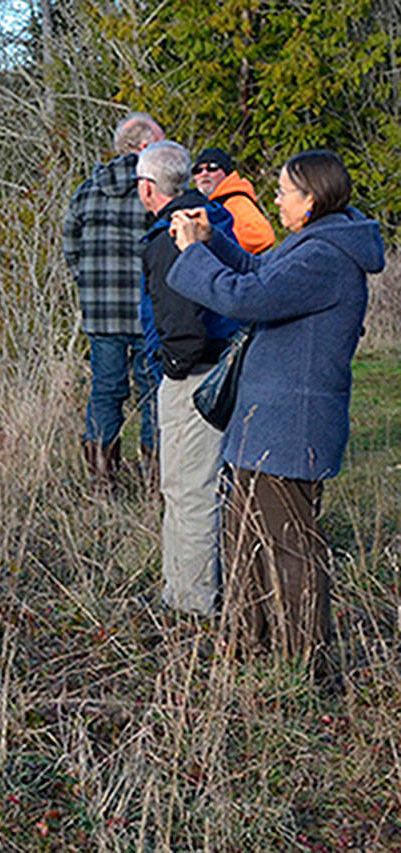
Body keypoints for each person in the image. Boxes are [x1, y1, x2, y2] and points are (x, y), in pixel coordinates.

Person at [167, 150, 385, 669]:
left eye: (285, 191)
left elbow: (249, 296)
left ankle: (306, 664)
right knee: (244, 541)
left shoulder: (326, 258)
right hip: (265, 421)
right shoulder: (313, 244)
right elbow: (259, 268)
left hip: (290, 429)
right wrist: (213, 238)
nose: (277, 200)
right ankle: (245, 644)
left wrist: (194, 254)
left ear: (310, 199)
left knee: (290, 551)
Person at [135, 141, 240, 614]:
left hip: (193, 378)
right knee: (192, 488)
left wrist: (172, 369)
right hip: (217, 369)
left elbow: (181, 321)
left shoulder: (170, 237)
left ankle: (194, 602)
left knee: (190, 492)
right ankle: (178, 592)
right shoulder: (211, 221)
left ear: (146, 188)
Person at [63, 112, 165, 491]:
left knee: (106, 391)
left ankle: (101, 482)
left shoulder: (87, 189)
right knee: (153, 392)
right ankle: (156, 481)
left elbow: (69, 246)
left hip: (101, 312)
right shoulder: (154, 190)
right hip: (147, 311)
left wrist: (88, 285)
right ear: (144, 147)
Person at [191, 147, 276, 254]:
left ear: (226, 172)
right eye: (197, 170)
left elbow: (263, 236)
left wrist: (219, 244)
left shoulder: (236, 201)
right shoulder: (209, 203)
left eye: (212, 168)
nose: (204, 174)